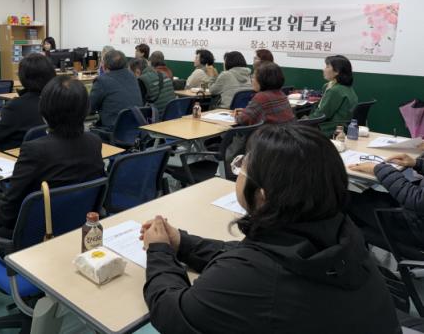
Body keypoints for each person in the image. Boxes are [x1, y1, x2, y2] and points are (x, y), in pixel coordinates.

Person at [141, 123, 400, 334]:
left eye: (242, 167)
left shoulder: (252, 278)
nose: (238, 173)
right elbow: (252, 257)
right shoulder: (342, 232)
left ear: (262, 197)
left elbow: (170, 312)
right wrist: (182, 243)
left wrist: (159, 250)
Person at [0, 76, 105, 325]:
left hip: (30, 244)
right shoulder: (94, 143)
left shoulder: (35, 149)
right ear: (85, 109)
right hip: (74, 236)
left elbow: (9, 208)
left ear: (45, 111)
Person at [348, 150, 424, 248]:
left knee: (346, 200)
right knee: (364, 195)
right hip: (415, 211)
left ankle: (355, 249)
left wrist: (379, 169)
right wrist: (417, 163)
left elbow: (417, 199)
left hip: (414, 226)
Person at [0, 53, 55, 150]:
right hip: (52, 154)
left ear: (23, 77)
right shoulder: (59, 101)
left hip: (17, 155)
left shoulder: (16, 106)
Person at [90, 50, 142, 131]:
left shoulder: (102, 81)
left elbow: (90, 108)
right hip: (135, 128)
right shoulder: (132, 76)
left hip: (112, 130)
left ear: (104, 65)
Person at [308, 55, 358, 137]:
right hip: (343, 127)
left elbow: (322, 115)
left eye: (327, 67)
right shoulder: (346, 88)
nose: (324, 69)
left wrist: (303, 120)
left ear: (337, 71)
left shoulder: (335, 90)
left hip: (330, 129)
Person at [235, 61, 294, 125]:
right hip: (289, 130)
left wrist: (237, 116)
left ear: (262, 80)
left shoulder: (261, 97)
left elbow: (243, 120)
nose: (252, 80)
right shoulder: (281, 94)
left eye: (253, 77)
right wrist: (246, 111)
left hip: (272, 131)